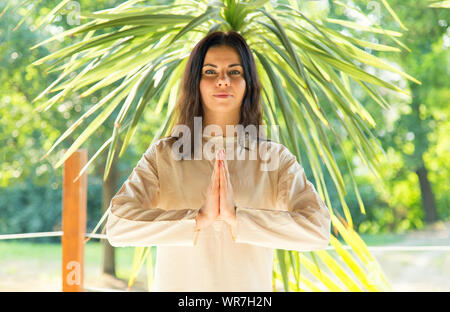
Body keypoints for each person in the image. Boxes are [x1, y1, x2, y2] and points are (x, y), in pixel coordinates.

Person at [105, 31, 331, 292]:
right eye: (210, 72)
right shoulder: (165, 156)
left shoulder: (274, 159)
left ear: (248, 83)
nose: (223, 80)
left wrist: (237, 218)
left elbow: (318, 230)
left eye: (234, 72)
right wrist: (198, 219)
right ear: (195, 84)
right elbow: (118, 226)